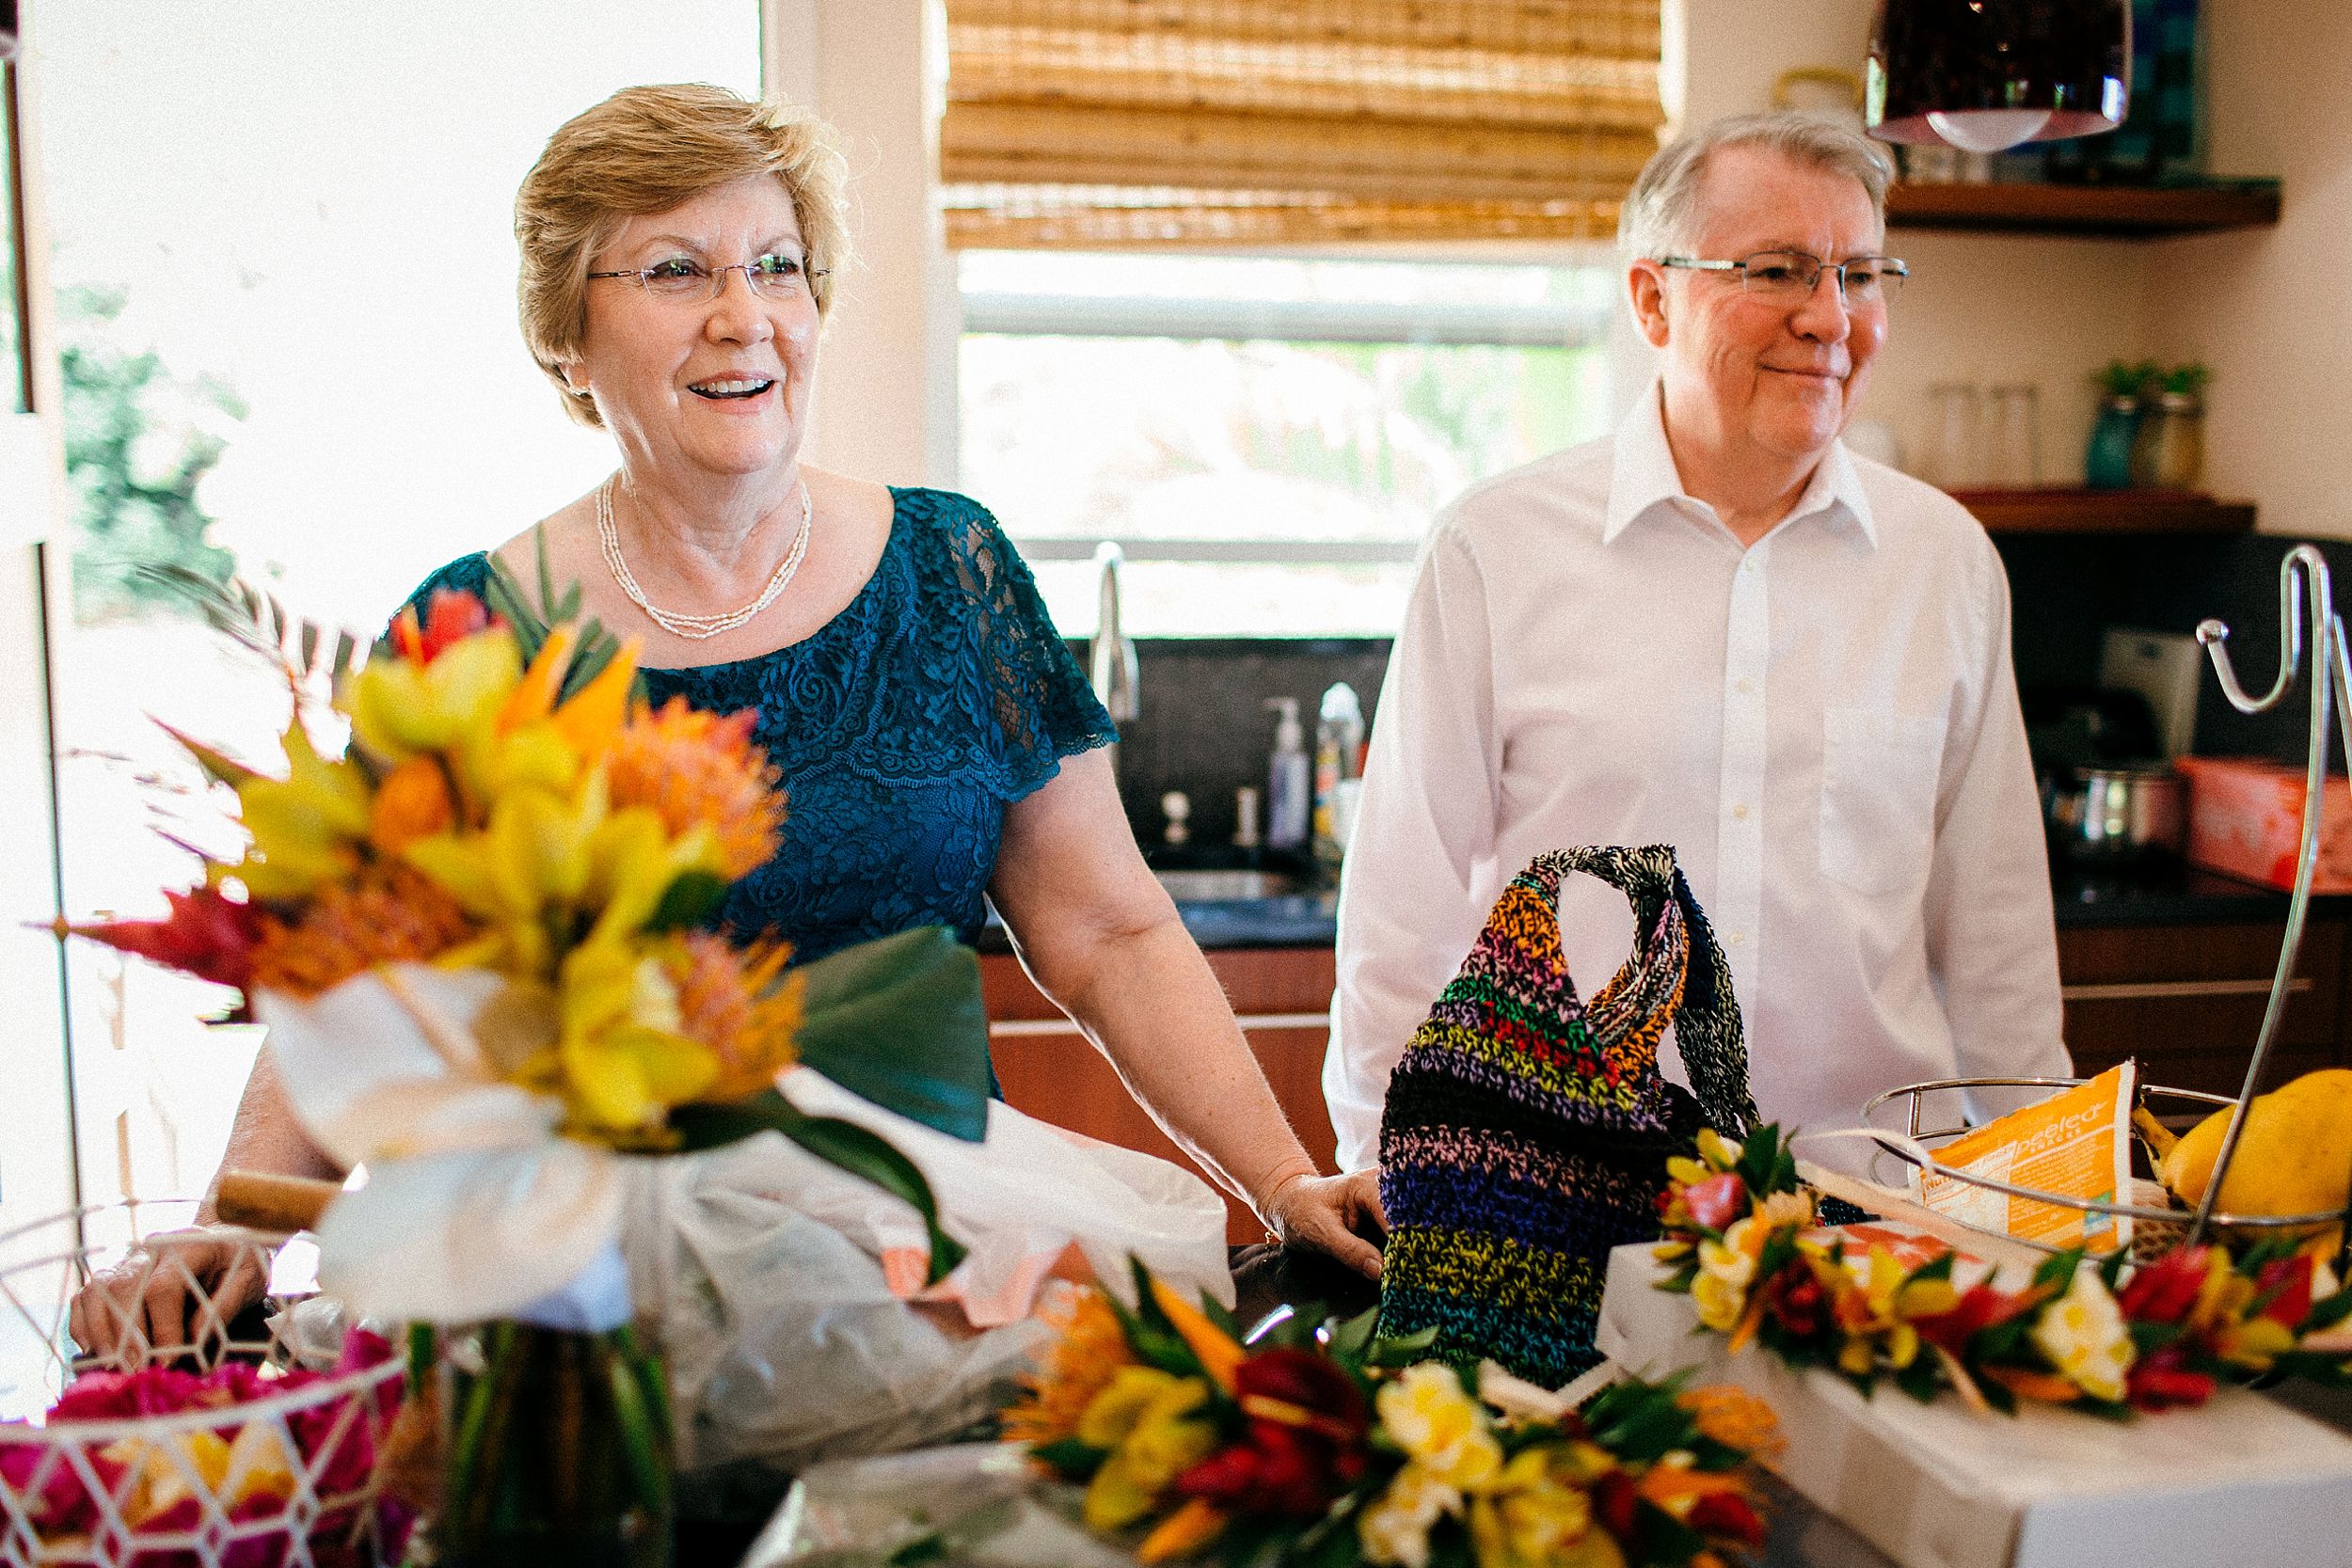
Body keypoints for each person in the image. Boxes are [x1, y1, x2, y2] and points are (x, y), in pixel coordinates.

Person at [75, 84, 1380, 1356]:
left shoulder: (952, 572)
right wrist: (234, 1228)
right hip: (592, 1324)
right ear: (564, 337)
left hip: (932, 1287)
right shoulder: (470, 633)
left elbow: (1106, 927)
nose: (741, 316)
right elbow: (356, 989)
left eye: (777, 265)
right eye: (674, 272)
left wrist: (1282, 1178)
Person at [1323, 112, 2069, 1173]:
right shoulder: (1495, 550)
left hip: (1879, 1214)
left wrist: (2027, 1212)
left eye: (1859, 273)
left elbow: (1997, 935)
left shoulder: (1944, 560)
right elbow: (1402, 921)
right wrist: (1398, 1183)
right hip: (1564, 1210)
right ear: (1650, 299)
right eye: (1777, 270)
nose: (1829, 316)